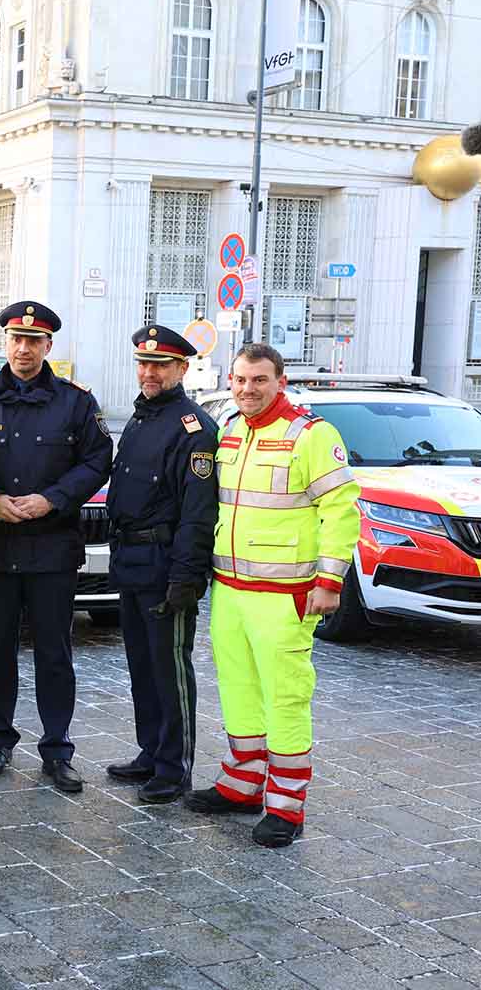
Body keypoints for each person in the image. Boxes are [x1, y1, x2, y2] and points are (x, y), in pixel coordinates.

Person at [186, 343, 360, 847]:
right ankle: (242, 785)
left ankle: (286, 806)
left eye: (259, 380)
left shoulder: (311, 434)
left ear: (280, 381)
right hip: (231, 590)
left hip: (285, 595)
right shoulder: (233, 432)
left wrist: (330, 581)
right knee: (239, 691)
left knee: (285, 698)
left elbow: (341, 509)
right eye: (240, 380)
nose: (247, 389)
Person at [0, 301, 112, 793]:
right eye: (16, 339)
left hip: (52, 547)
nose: (24, 348)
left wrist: (52, 499)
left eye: (35, 340)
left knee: (54, 652)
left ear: (49, 346)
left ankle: (57, 748)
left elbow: (96, 461)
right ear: (5, 342)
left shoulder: (75, 403)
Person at [104, 326, 218, 804]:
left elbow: (197, 511)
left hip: (165, 565)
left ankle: (175, 767)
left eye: (160, 365)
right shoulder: (140, 418)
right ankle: (151, 750)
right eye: (143, 364)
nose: (149, 372)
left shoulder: (194, 428)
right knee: (141, 665)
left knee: (170, 670)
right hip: (131, 560)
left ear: (182, 369)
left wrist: (186, 577)